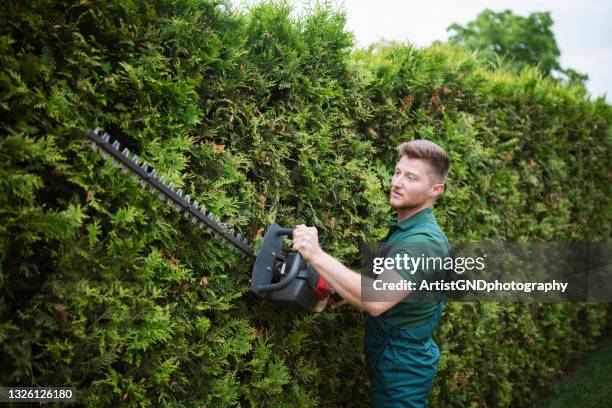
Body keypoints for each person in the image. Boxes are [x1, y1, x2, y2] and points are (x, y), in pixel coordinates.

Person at [292, 139, 451, 407]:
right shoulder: (408, 229)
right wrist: (348, 290)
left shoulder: (423, 241)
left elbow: (377, 300)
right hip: (392, 357)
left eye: (411, 178)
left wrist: (316, 256)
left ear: (436, 189)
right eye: (398, 172)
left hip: (404, 367)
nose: (398, 182)